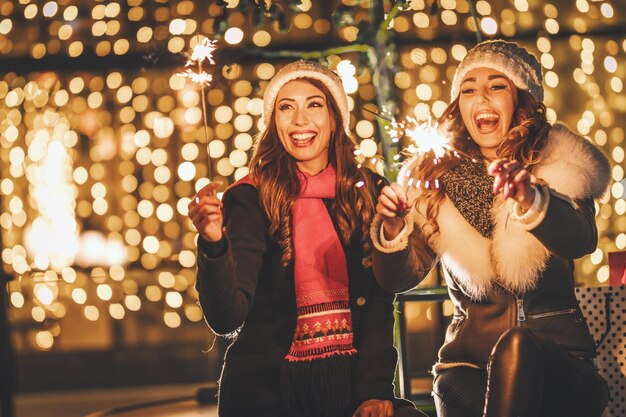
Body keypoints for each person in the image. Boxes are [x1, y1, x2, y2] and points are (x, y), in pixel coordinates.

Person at [370, 40, 610, 417]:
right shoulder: (433, 179)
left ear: (522, 98)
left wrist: (532, 201)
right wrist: (393, 226)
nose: (480, 96)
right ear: (459, 106)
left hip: (561, 366)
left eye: (496, 85)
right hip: (467, 370)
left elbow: (581, 239)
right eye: (468, 89)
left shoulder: (560, 164)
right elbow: (398, 278)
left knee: (518, 346)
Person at [189, 60, 422, 417]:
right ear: (273, 123)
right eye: (286, 107)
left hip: (352, 391)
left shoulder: (365, 191)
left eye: (313, 104)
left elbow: (378, 304)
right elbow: (226, 318)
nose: (299, 120)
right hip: (267, 397)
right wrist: (214, 243)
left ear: (334, 118)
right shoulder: (250, 197)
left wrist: (375, 393)